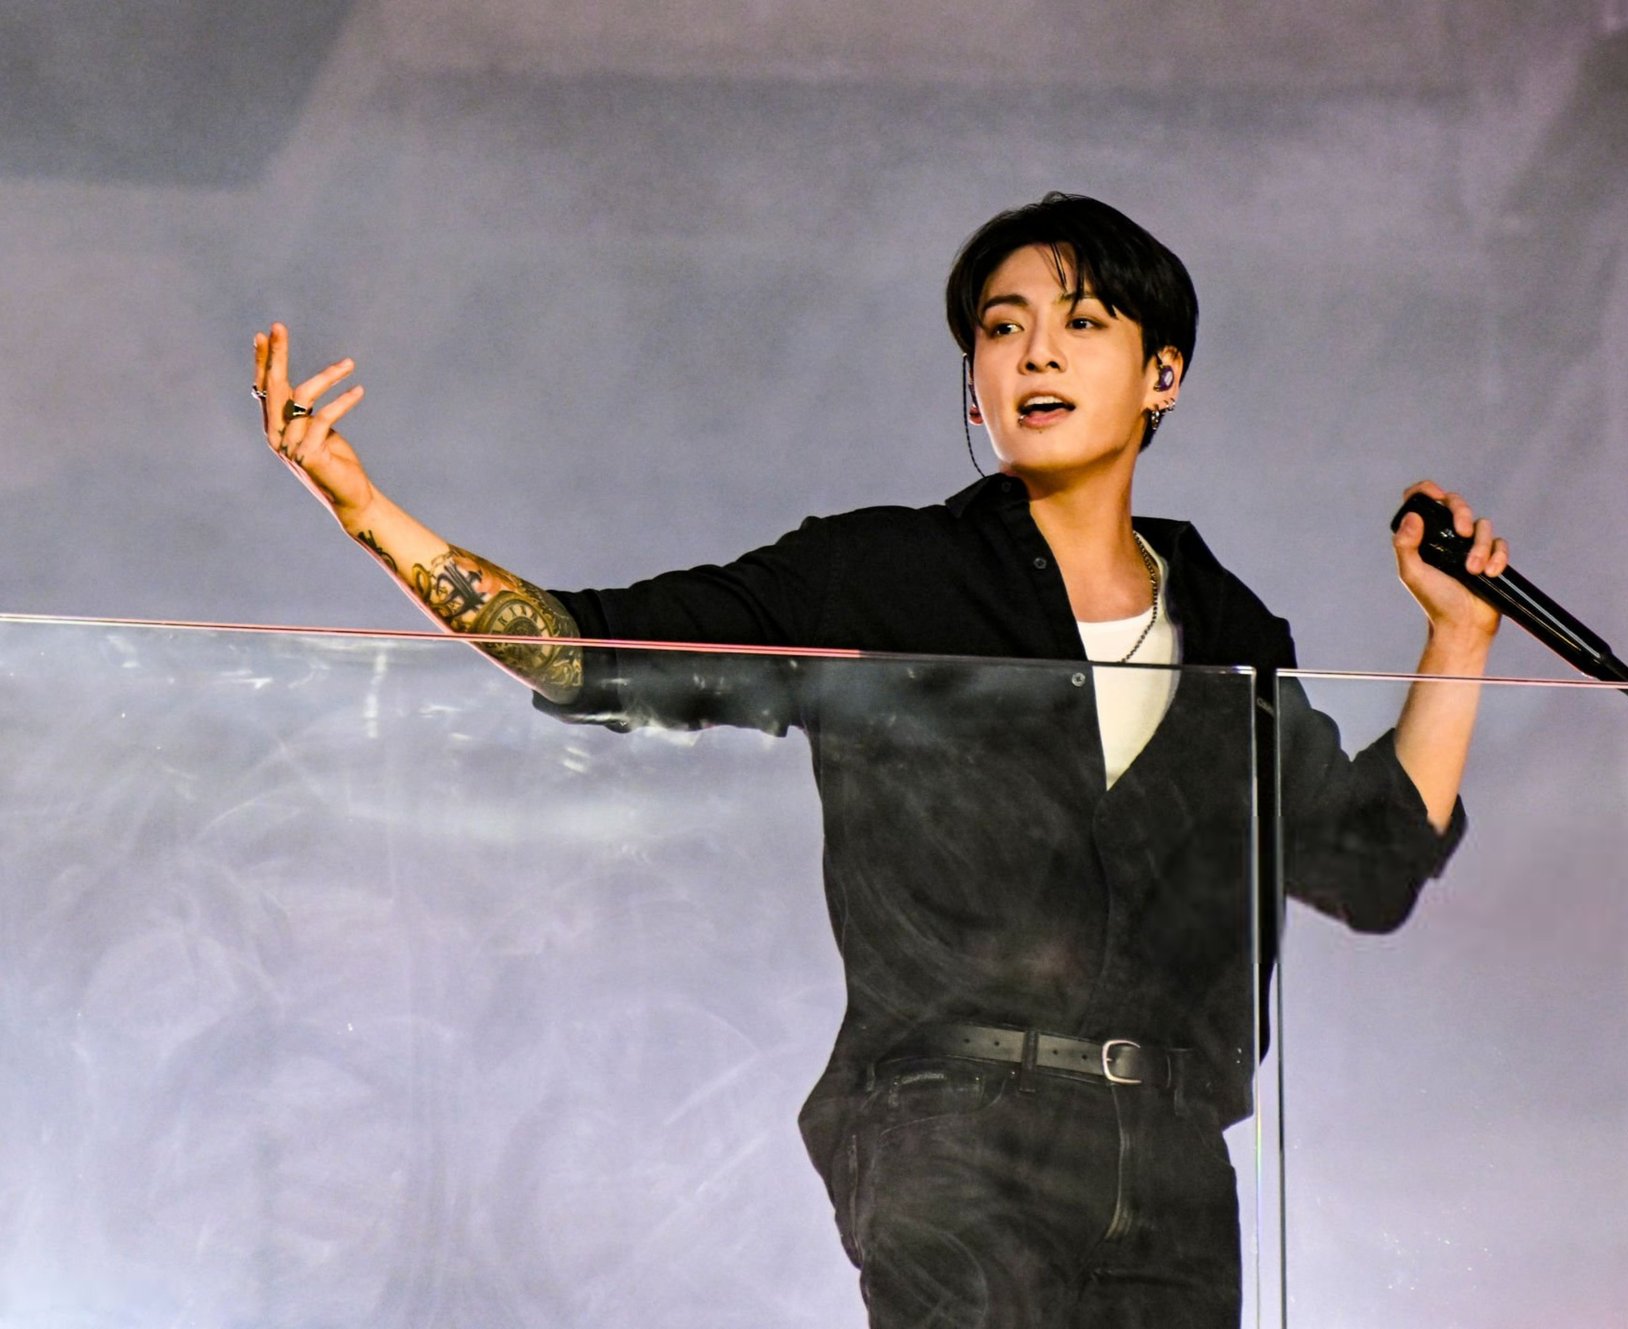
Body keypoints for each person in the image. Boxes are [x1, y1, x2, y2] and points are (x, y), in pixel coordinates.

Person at [253, 192, 1507, 1327]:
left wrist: (1457, 637)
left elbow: (1370, 864)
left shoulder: (1227, 626)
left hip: (1175, 1159)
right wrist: (369, 513)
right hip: (954, 1133)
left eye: (1081, 323)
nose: (1036, 354)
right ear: (974, 384)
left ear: (1161, 374)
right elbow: (594, 654)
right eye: (1003, 330)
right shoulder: (881, 576)